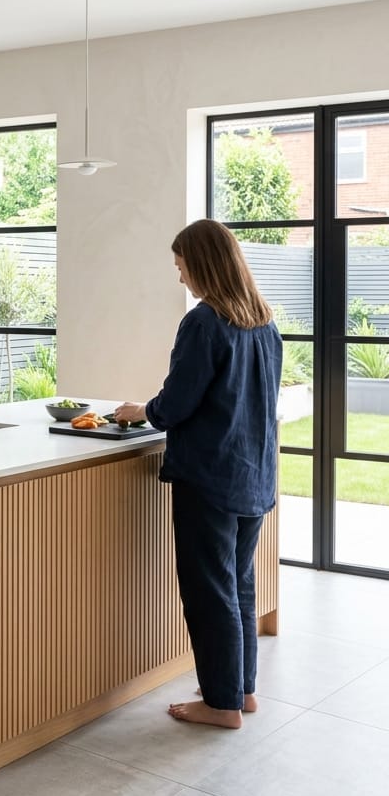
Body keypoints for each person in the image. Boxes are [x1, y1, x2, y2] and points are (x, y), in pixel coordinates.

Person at [114, 219, 283, 729]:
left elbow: (177, 404)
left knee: (210, 590)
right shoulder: (264, 323)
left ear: (203, 264)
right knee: (239, 584)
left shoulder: (204, 322)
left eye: (182, 266)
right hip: (254, 474)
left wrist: (142, 410)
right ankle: (240, 691)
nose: (180, 276)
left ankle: (221, 704)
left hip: (210, 477)